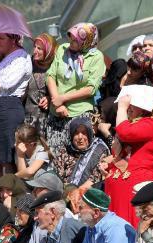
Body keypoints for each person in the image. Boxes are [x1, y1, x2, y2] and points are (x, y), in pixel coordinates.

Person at [102, 88, 153, 228]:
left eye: (131, 105)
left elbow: (125, 133)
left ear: (142, 108)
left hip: (136, 188)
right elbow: (121, 156)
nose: (128, 108)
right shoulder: (132, 123)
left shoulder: (151, 124)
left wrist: (122, 107)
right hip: (117, 191)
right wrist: (109, 167)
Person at [45, 22, 106, 153]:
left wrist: (63, 98)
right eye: (71, 39)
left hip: (80, 115)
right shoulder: (62, 49)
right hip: (56, 113)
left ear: (87, 41)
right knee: (55, 156)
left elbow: (91, 89)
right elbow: (50, 76)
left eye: (75, 41)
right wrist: (57, 103)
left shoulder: (96, 57)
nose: (71, 43)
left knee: (77, 156)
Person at [0, 33, 32, 179]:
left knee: (6, 158)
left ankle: (11, 194)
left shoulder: (21, 57)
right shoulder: (5, 58)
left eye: (2, 38)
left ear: (14, 40)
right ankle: (3, 191)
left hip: (8, 106)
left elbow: (5, 84)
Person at [53, 116, 109, 189]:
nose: (80, 137)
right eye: (76, 133)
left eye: (84, 133)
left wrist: (75, 193)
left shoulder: (99, 150)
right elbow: (57, 175)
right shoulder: (65, 150)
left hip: (87, 194)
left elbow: (95, 179)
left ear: (89, 134)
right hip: (63, 191)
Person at [24, 33, 58, 131]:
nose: (35, 51)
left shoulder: (56, 67)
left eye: (39, 49)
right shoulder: (27, 64)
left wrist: (49, 98)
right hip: (27, 120)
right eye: (34, 47)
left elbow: (62, 90)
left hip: (49, 122)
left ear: (48, 50)